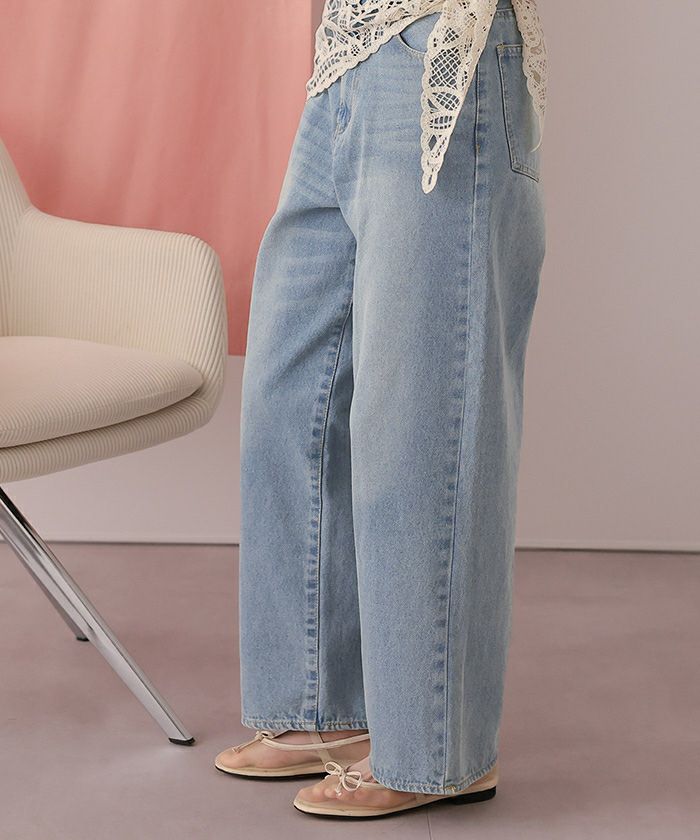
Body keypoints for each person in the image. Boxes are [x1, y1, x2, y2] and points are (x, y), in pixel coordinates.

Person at [215, 0, 547, 819]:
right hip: (347, 55)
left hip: (447, 45)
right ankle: (322, 708)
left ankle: (434, 751)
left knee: (422, 420)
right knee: (292, 391)